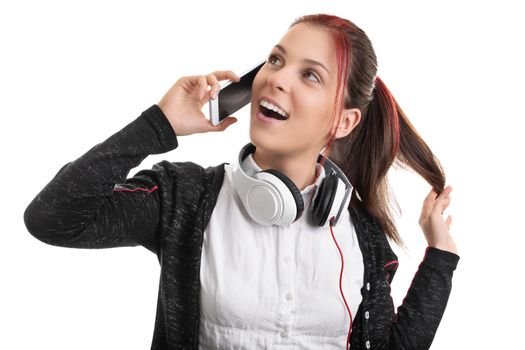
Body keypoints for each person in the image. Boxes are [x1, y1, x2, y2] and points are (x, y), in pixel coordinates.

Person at [24, 13, 459, 350]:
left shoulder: (362, 237)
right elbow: (53, 218)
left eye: (310, 75)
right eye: (275, 60)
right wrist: (160, 124)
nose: (276, 79)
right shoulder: (185, 199)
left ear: (344, 122)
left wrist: (440, 256)